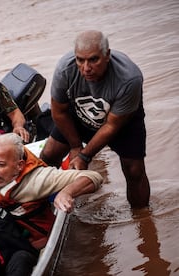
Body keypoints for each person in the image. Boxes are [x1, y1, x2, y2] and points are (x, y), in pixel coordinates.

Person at [0, 133, 103, 276]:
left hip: (19, 247)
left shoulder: (39, 179)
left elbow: (93, 177)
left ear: (19, 165)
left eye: (1, 165)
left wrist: (66, 193)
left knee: (21, 260)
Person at [39, 30, 150, 209]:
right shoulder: (65, 69)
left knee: (134, 171)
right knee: (49, 153)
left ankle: (142, 217)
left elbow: (112, 126)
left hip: (121, 122)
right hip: (80, 113)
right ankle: (39, 205)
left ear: (107, 56)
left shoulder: (129, 78)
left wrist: (84, 155)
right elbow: (59, 111)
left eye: (93, 60)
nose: (86, 68)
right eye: (80, 60)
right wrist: (75, 146)